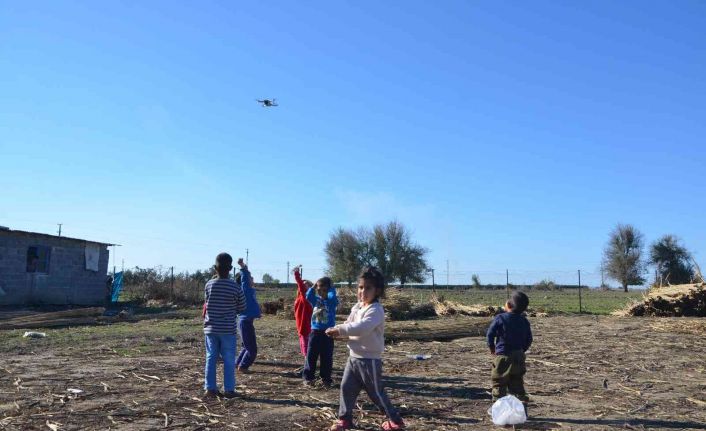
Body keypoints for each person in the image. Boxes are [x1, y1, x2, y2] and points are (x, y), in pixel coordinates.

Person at [326, 266, 405, 431]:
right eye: (360, 287)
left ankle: (395, 420)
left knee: (376, 393)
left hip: (369, 360)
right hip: (353, 358)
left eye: (368, 288)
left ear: (377, 291)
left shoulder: (376, 310)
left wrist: (340, 330)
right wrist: (338, 332)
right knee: (346, 388)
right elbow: (350, 324)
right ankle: (345, 420)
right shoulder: (357, 307)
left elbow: (362, 327)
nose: (363, 291)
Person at [203, 252, 246, 399]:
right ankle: (229, 389)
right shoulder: (235, 287)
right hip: (227, 329)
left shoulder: (209, 285)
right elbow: (242, 307)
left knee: (211, 357)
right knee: (228, 360)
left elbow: (206, 304)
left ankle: (210, 388)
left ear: (215, 268)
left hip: (211, 328)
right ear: (230, 268)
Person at [486, 291, 533, 408]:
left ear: (508, 305)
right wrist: (522, 350)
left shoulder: (500, 318)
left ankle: (498, 407)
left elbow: (490, 334)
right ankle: (520, 405)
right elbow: (529, 338)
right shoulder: (524, 321)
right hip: (518, 355)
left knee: (499, 381)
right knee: (517, 381)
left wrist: (492, 347)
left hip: (503, 355)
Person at [302, 275, 338, 386]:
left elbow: (332, 297)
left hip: (328, 333)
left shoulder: (332, 302)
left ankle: (326, 379)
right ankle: (309, 378)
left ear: (329, 289)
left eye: (324, 289)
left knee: (326, 357)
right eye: (319, 288)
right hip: (315, 332)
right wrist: (313, 286)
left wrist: (331, 289)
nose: (320, 291)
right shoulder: (316, 300)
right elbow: (308, 296)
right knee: (311, 355)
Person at [235, 258, 261, 373]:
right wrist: (242, 266)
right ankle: (243, 366)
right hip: (245, 321)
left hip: (245, 321)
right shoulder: (245, 289)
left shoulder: (249, 290)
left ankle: (238, 364)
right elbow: (245, 277)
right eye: (251, 277)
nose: (253, 279)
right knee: (252, 349)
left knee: (246, 346)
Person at [293, 265, 313, 357]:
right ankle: (306, 358)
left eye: (306, 284)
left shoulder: (305, 297)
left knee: (306, 343)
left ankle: (307, 359)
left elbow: (300, 285)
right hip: (300, 323)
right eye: (303, 283)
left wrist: (297, 274)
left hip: (305, 324)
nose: (303, 284)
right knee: (302, 341)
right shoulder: (299, 298)